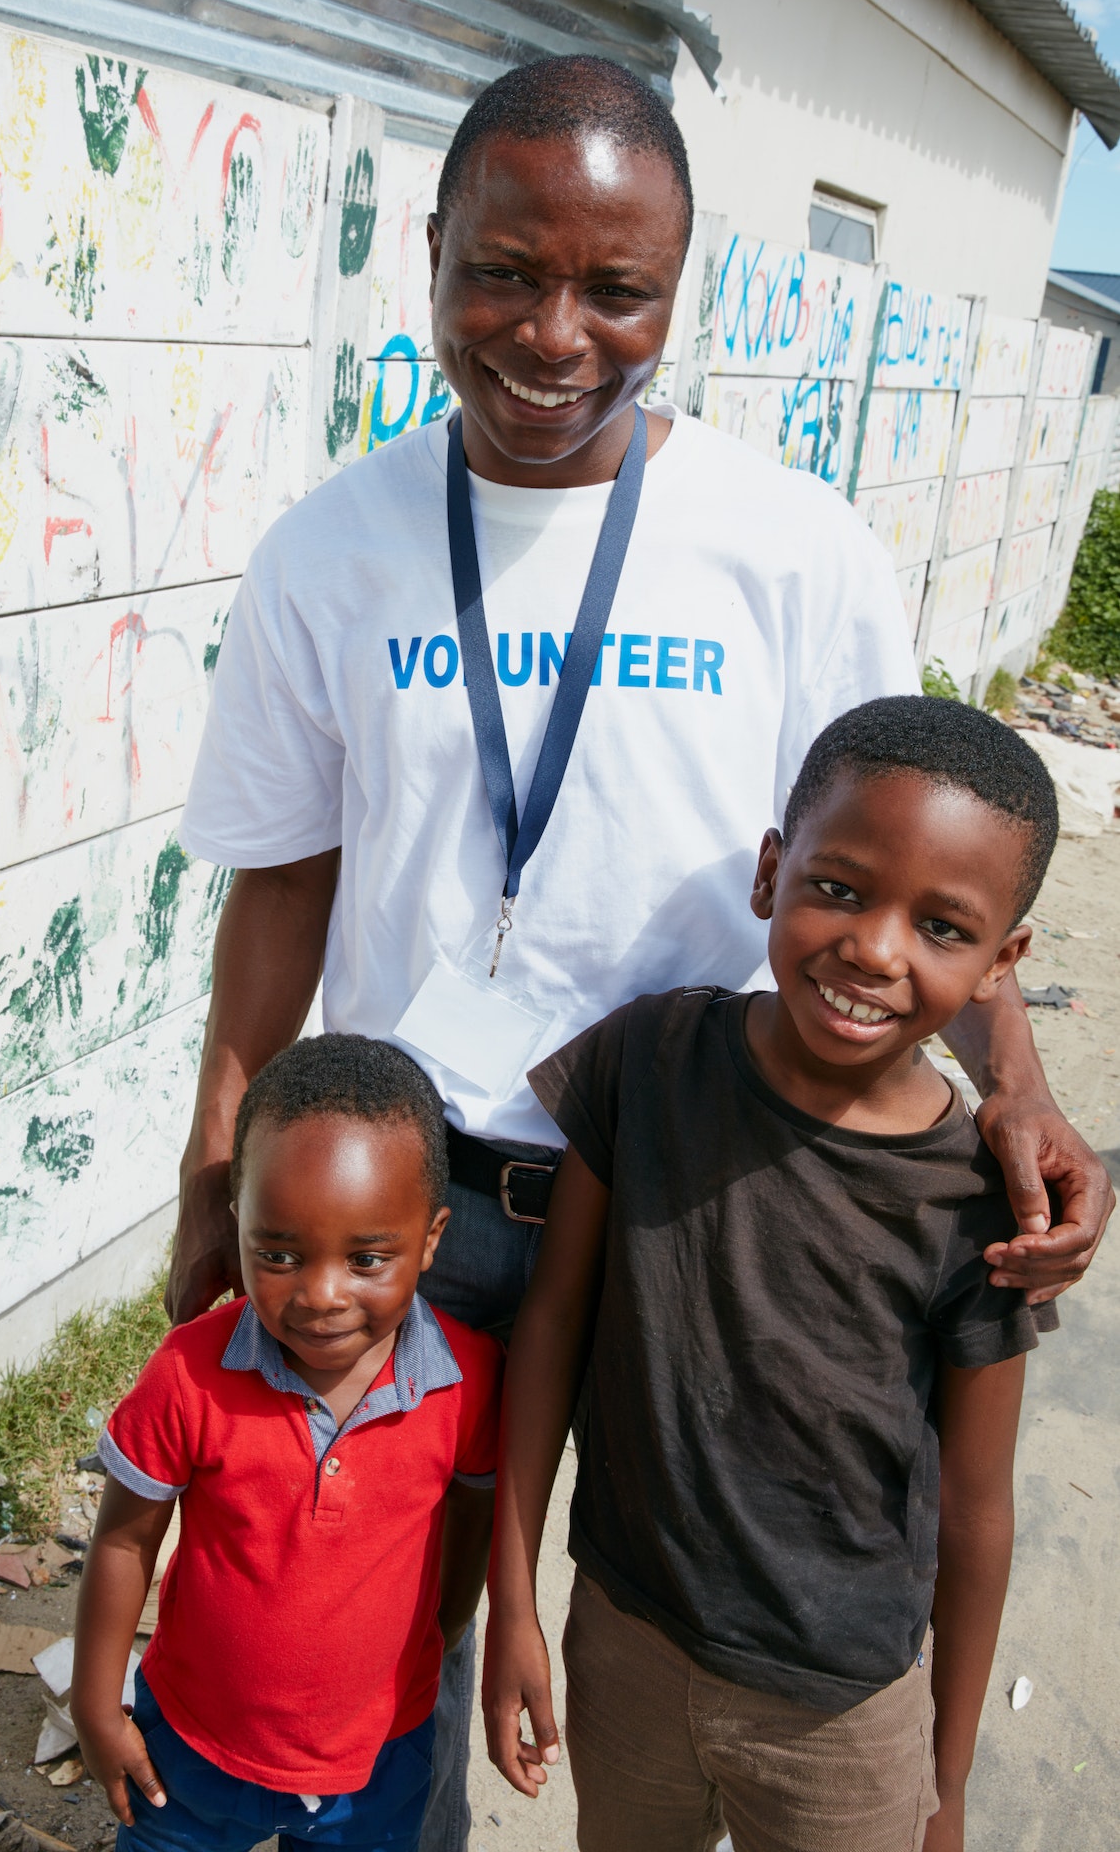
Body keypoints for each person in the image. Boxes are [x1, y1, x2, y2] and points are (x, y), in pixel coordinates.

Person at [170, 54, 1113, 1850]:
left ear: (679, 287)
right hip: (415, 1201)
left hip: (706, 1197)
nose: (552, 335)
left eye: (617, 290)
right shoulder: (329, 552)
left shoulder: (788, 550)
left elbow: (919, 855)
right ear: (431, 251)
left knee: (683, 1632)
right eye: (501, 272)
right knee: (374, 1637)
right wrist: (217, 1153)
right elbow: (281, 883)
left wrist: (1019, 1085)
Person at [484, 696, 1067, 1852]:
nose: (873, 946)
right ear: (770, 872)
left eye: (942, 927)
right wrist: (515, 1601)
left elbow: (976, 1508)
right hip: (627, 1638)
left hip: (843, 1713)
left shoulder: (974, 1203)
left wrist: (944, 1777)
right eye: (839, 888)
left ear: (1001, 961)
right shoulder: (645, 1060)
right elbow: (548, 1327)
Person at [71, 1034, 502, 1852]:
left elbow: (472, 1520)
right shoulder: (190, 1374)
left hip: (376, 1761)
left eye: (368, 1259)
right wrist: (95, 1703)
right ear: (236, 1225)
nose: (320, 1296)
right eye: (277, 1255)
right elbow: (124, 1541)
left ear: (433, 1238)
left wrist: (440, 1631)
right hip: (187, 1753)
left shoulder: (466, 1383)